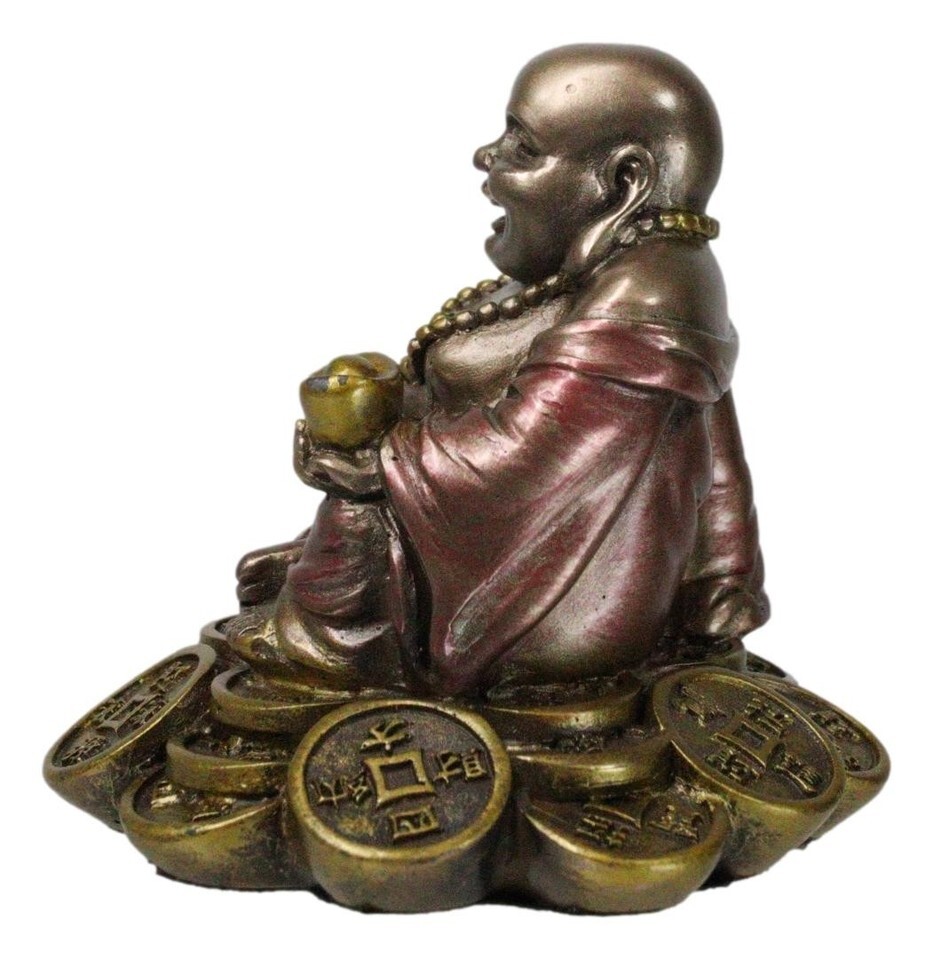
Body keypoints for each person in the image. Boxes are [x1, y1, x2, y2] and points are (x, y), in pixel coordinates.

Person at [235, 44, 769, 697]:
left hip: (558, 617)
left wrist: (378, 463)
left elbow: (530, 457)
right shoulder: (602, 273)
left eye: (522, 147)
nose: (485, 157)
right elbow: (717, 450)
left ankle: (333, 646)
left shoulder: (653, 292)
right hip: (554, 577)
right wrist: (723, 577)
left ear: (623, 182)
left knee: (364, 503)